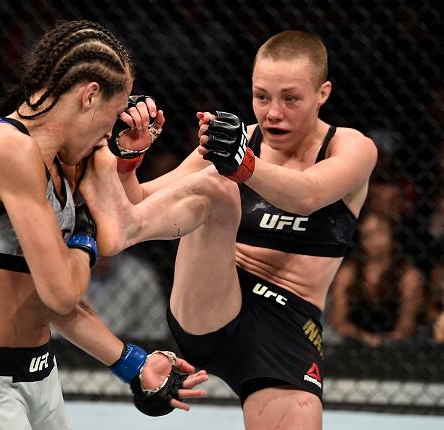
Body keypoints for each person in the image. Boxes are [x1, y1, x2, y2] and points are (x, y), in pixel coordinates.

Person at [80, 30, 377, 429]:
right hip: (213, 301)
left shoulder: (352, 148)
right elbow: (139, 199)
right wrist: (130, 159)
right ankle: (123, 234)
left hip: (288, 320)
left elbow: (308, 195)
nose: (273, 112)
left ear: (322, 93)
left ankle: (124, 231)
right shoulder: (234, 143)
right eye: (262, 96)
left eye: (290, 98)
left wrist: (244, 163)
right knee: (219, 186)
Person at [0, 20, 207, 430]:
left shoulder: (62, 165)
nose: (109, 131)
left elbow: (60, 299)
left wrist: (135, 365)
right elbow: (61, 290)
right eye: (111, 116)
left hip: (40, 376)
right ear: (90, 96)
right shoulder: (4, 149)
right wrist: (90, 219)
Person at [328, 212, 424, 347]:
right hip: (353, 343)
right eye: (367, 234)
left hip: (397, 345)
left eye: (378, 232)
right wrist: (363, 337)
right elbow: (338, 320)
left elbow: (407, 324)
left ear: (393, 235)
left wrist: (385, 340)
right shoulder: (349, 272)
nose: (372, 239)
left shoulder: (407, 275)